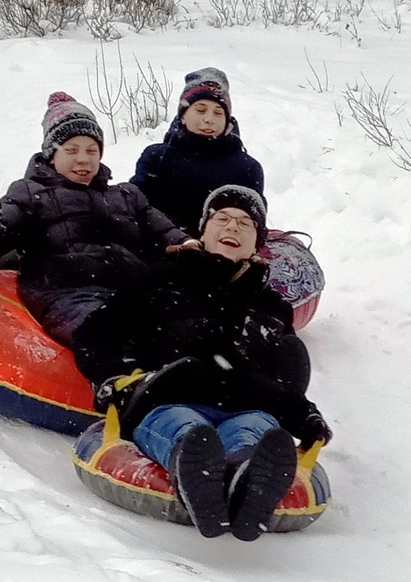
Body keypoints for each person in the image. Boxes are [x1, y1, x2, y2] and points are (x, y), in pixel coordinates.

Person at [72, 184, 329, 542]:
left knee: (253, 432)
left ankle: (247, 478)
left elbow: (284, 379)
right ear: (203, 231)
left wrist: (306, 414)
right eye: (222, 219)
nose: (232, 227)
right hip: (169, 392)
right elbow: (95, 334)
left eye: (245, 223)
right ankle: (197, 471)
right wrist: (113, 377)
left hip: (248, 403)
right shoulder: (159, 279)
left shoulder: (271, 305)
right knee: (186, 428)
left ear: (257, 244)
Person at [0, 93, 188, 352]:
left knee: (178, 321)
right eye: (71, 150)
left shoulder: (125, 196)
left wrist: (186, 244)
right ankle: (128, 378)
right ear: (50, 155)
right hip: (67, 294)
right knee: (105, 328)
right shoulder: (32, 194)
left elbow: (163, 231)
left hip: (129, 290)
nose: (83, 159)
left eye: (92, 150)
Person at [131, 67, 267, 234]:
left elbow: (253, 223)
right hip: (161, 245)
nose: (209, 119)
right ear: (183, 115)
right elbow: (135, 208)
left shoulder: (247, 168)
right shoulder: (157, 157)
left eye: (218, 113)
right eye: (200, 110)